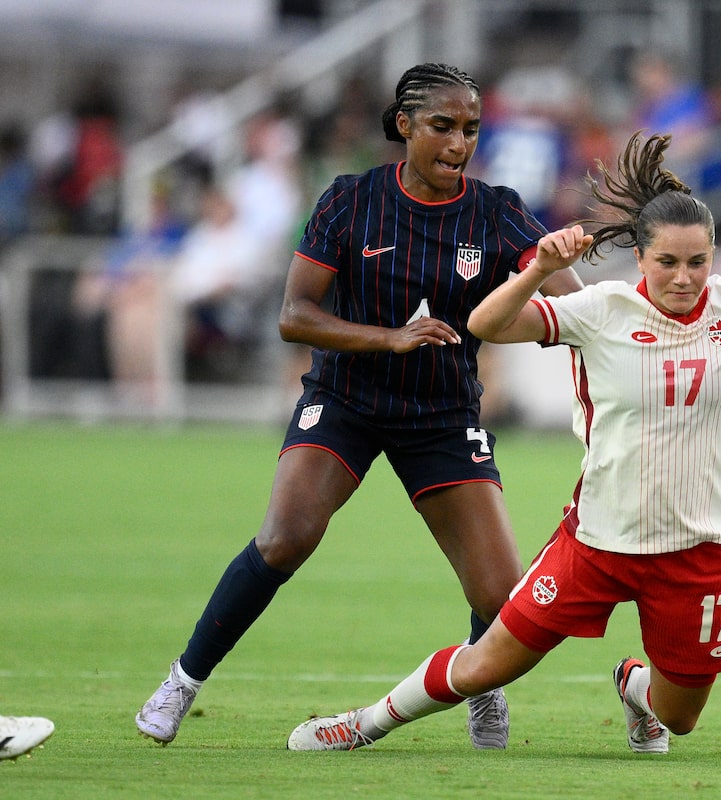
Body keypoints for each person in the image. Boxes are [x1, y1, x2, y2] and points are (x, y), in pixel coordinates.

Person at [286, 132, 721, 755]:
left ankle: (635, 688)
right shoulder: (598, 310)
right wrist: (542, 270)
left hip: (703, 547)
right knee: (489, 664)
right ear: (640, 257)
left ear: (714, 257)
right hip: (600, 540)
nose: (685, 278)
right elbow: (485, 325)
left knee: (680, 718)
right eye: (668, 262)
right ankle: (361, 725)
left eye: (698, 262)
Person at [135, 62, 584, 750]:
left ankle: (481, 684)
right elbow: (294, 315)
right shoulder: (351, 199)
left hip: (442, 412)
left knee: (499, 596)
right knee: (286, 537)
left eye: (470, 129)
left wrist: (555, 265)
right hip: (345, 398)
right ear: (404, 125)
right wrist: (389, 338)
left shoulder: (496, 210)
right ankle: (182, 682)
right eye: (442, 126)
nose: (459, 144)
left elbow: (573, 306)